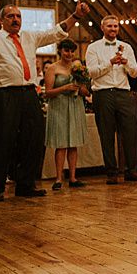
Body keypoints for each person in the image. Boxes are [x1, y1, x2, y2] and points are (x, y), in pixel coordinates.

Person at [0, 2, 89, 202]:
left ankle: (26, 184)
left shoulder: (29, 37)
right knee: (3, 139)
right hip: (4, 93)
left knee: (33, 138)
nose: (16, 19)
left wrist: (76, 16)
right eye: (10, 16)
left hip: (28, 93)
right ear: (1, 21)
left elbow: (56, 32)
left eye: (18, 16)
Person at [85, 15, 137, 184]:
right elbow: (91, 72)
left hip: (123, 93)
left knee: (130, 132)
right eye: (110, 26)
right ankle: (111, 172)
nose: (113, 29)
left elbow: (135, 73)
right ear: (102, 28)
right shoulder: (93, 48)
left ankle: (131, 170)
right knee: (106, 134)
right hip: (103, 93)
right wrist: (110, 62)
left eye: (115, 26)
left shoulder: (126, 47)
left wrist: (126, 63)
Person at [44, 38, 89, 190]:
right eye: (66, 50)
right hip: (59, 107)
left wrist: (81, 87)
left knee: (73, 143)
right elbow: (48, 93)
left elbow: (85, 91)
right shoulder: (52, 68)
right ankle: (58, 178)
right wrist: (64, 88)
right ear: (60, 51)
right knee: (61, 144)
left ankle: (73, 177)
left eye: (71, 51)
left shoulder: (78, 68)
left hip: (75, 106)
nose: (69, 54)